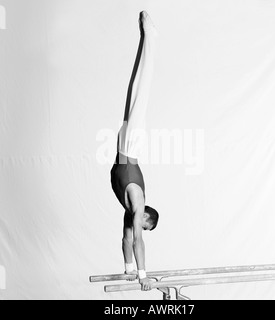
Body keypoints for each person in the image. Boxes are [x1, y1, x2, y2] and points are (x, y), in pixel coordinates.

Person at [110, 11, 159, 291]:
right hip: (128, 146)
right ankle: (149, 36)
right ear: (147, 218)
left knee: (137, 90)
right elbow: (135, 240)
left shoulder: (131, 213)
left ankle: (147, 37)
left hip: (126, 147)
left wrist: (131, 270)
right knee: (140, 89)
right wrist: (142, 275)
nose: (141, 229)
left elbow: (128, 240)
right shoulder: (136, 206)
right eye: (146, 226)